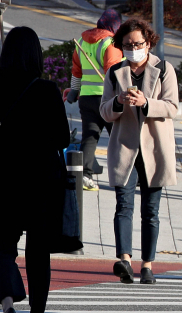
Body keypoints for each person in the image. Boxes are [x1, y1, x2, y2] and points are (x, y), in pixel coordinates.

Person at [0, 27, 70, 313]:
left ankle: (9, 307)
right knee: (39, 251)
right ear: (36, 55)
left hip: (3, 178)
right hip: (42, 179)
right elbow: (63, 139)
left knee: (3, 247)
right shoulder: (48, 90)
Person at [100, 19, 178, 285]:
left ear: (149, 42)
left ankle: (147, 264)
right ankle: (124, 260)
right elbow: (104, 111)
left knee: (151, 210)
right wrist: (118, 102)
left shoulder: (164, 69)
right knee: (123, 204)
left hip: (154, 148)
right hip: (124, 147)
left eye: (138, 44)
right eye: (127, 45)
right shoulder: (115, 72)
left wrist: (147, 103)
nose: (133, 49)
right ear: (120, 46)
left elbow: (172, 108)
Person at [67, 9, 123, 191]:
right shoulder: (111, 43)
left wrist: (74, 91)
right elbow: (113, 72)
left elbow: (77, 70)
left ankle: (84, 176)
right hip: (107, 99)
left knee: (90, 137)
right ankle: (125, 175)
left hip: (86, 98)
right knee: (118, 138)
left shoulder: (83, 41)